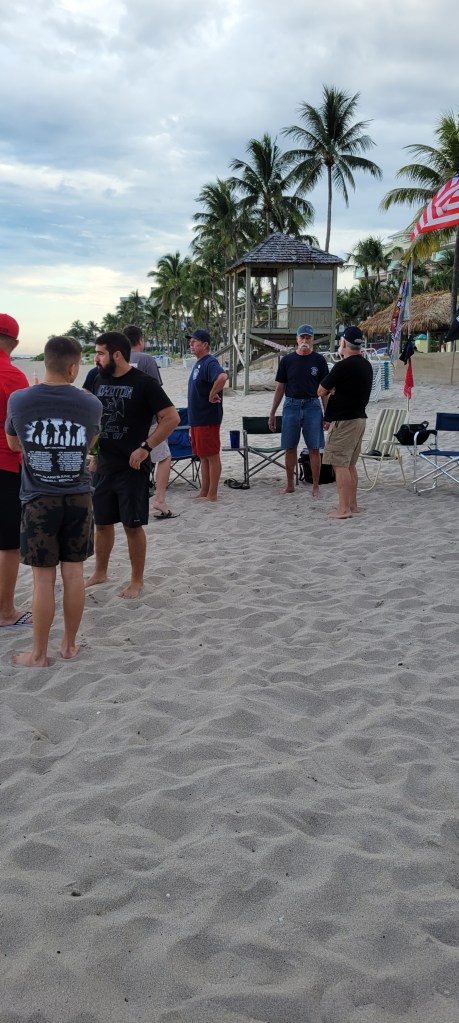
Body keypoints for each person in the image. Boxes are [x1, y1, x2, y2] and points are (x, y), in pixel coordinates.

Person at [5, 336, 102, 666]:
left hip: (39, 499)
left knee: (42, 580)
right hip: (79, 497)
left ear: (45, 362)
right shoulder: (91, 403)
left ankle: (38, 654)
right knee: (74, 575)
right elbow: (90, 441)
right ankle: (69, 645)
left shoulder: (20, 399)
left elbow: (14, 445)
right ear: (73, 367)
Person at [85, 331, 180, 597]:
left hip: (133, 466)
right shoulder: (96, 378)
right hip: (104, 464)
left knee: (132, 525)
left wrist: (146, 448)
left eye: (100, 353)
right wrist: (94, 454)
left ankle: (137, 580)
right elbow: (93, 420)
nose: (96, 358)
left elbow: (171, 418)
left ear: (117, 355)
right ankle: (100, 572)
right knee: (102, 523)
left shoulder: (144, 383)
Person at [317, 325, 373, 519]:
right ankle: (352, 505)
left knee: (339, 464)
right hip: (359, 418)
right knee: (350, 464)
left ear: (343, 343)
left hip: (346, 422)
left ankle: (344, 509)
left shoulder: (343, 366)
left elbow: (321, 390)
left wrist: (332, 388)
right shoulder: (366, 365)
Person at [268, 325, 329, 496]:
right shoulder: (287, 360)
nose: (305, 340)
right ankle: (290, 485)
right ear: (297, 339)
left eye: (308, 337)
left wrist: (328, 415)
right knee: (289, 447)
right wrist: (272, 412)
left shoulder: (319, 360)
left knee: (314, 448)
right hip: (291, 405)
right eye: (302, 337)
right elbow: (280, 387)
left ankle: (315, 486)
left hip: (312, 405)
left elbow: (324, 390)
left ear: (312, 339)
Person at [0, 313, 32, 630]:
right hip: (5, 465)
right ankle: (6, 611)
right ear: (15, 343)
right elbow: (22, 430)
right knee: (8, 543)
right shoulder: (12, 375)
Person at [124, 324, 176, 519]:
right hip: (147, 420)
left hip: (124, 421)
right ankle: (160, 499)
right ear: (140, 340)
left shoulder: (118, 359)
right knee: (164, 457)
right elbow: (156, 392)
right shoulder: (146, 359)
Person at [188, 329, 228, 502]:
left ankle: (212, 493)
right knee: (203, 456)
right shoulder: (199, 363)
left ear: (205, 344)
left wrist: (212, 393)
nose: (191, 344)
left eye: (194, 341)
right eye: (190, 341)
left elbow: (222, 377)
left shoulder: (210, 362)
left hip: (207, 417)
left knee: (211, 455)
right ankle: (204, 491)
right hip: (197, 418)